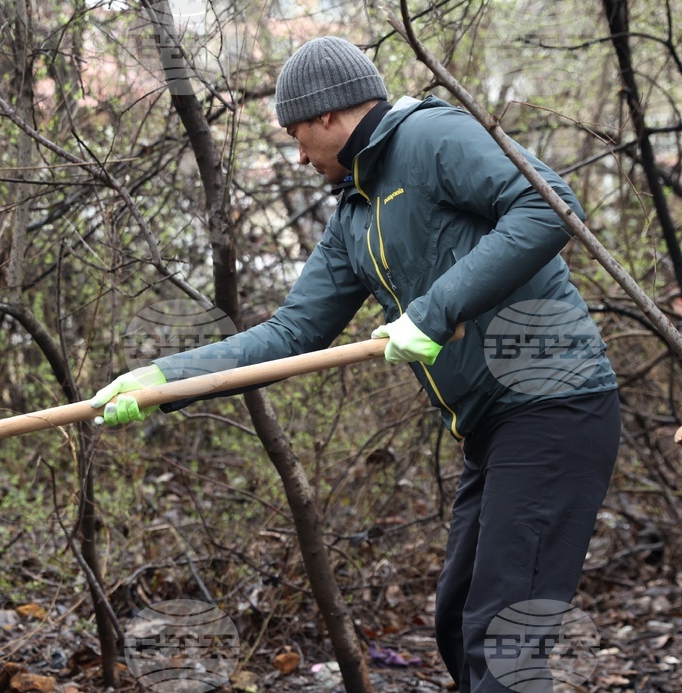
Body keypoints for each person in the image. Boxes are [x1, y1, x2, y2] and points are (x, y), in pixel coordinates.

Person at [90, 36, 620, 692]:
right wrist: (164, 379)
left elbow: (548, 205)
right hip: (493, 427)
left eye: (296, 134)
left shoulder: (432, 137)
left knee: (502, 637)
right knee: (459, 624)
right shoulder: (354, 218)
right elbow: (292, 332)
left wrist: (432, 311)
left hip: (556, 404)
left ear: (328, 117)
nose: (297, 152)